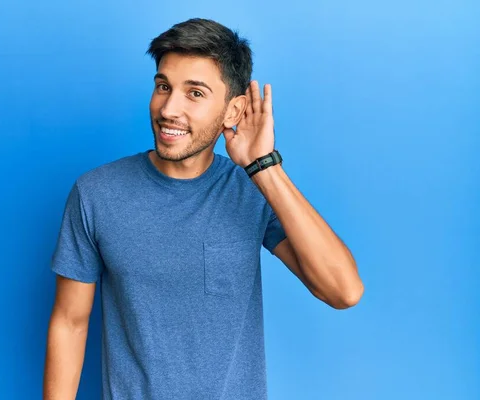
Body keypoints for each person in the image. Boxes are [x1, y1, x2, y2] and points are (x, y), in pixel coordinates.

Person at [43, 17, 364, 400]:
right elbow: (70, 322)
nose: (168, 109)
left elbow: (342, 291)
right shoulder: (96, 193)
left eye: (195, 93)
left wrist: (263, 166)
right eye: (163, 86)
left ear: (233, 111)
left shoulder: (252, 191)